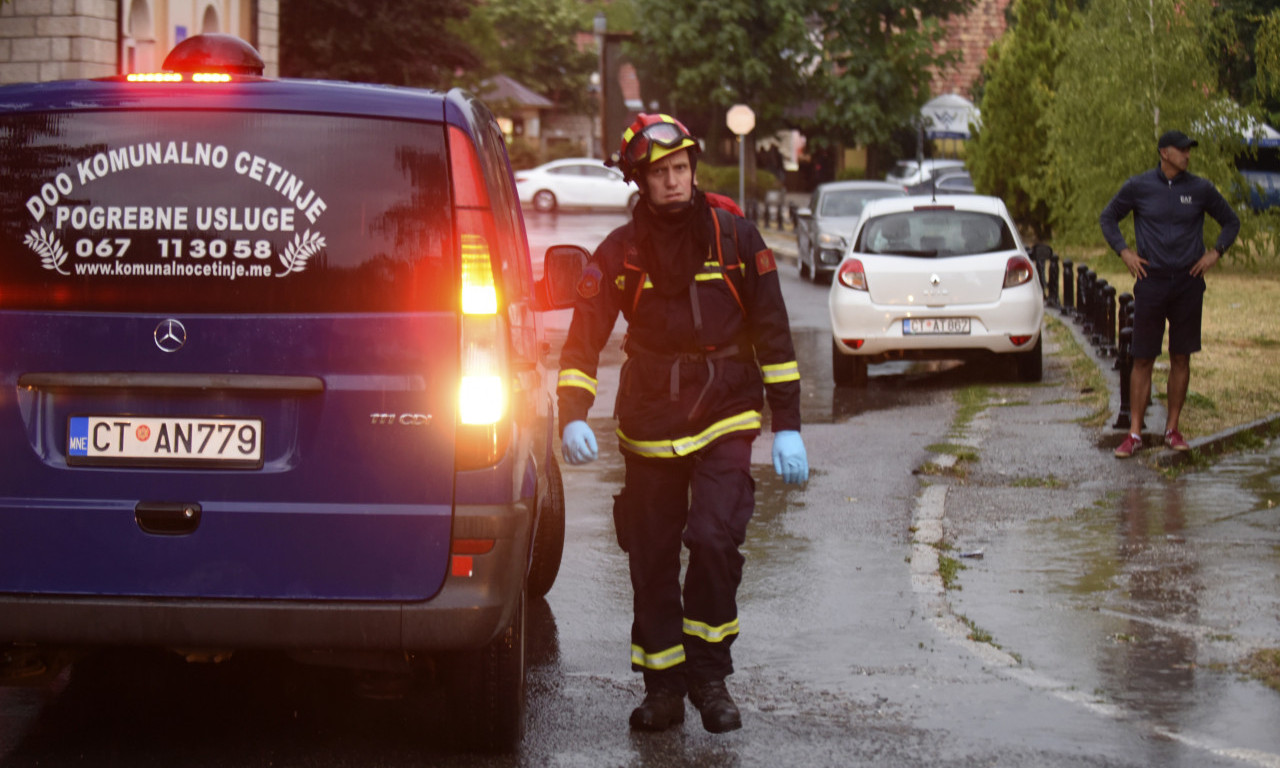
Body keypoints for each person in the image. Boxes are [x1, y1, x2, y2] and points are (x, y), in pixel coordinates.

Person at [557, 113, 808, 734]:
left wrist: (789, 423)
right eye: (660, 173)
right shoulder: (620, 253)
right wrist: (571, 414)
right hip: (648, 417)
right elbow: (583, 338)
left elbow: (773, 331)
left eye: (680, 168)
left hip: (726, 408)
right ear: (640, 181)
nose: (673, 181)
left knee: (715, 537)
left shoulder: (735, 238)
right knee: (651, 553)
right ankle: (664, 687)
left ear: (692, 169)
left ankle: (710, 676)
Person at [1099, 129, 1240, 458]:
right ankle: (1134, 433)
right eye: (1182, 149)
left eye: (1189, 150)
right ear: (1164, 152)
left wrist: (1215, 253)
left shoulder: (1200, 188)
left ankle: (1172, 429)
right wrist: (1125, 252)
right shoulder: (1139, 186)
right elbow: (1108, 218)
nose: (1188, 155)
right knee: (1143, 356)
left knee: (1181, 356)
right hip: (1152, 281)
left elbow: (1231, 222)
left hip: (1189, 283)